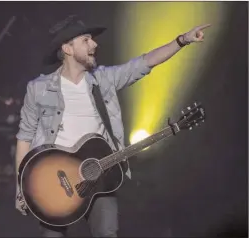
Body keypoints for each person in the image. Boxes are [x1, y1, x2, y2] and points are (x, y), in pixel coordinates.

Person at [15, 15, 211, 237]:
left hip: (101, 177)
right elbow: (25, 136)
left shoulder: (105, 79)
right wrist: (21, 188)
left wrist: (182, 40)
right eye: (86, 40)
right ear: (68, 49)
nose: (94, 44)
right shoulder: (38, 89)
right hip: (54, 183)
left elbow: (145, 62)